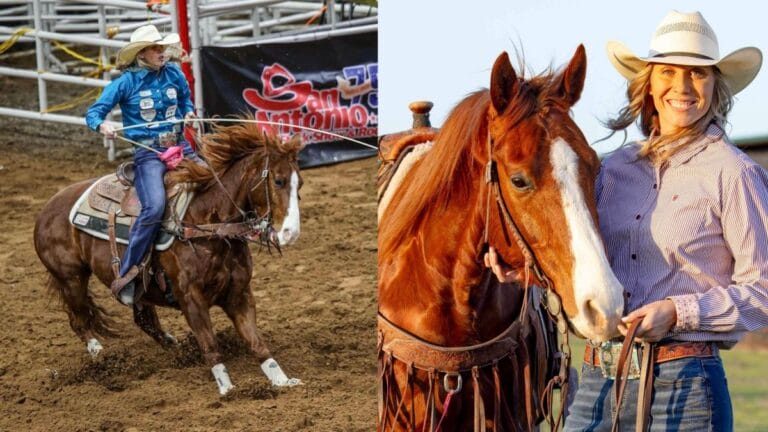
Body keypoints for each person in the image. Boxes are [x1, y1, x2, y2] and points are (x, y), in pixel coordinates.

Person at [488, 10, 768, 431]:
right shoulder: (611, 169)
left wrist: (678, 312)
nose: (683, 87)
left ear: (715, 86)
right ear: (649, 84)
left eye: (698, 74)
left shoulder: (734, 173)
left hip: (686, 387)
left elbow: (761, 294)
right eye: (669, 72)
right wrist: (528, 274)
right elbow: (589, 265)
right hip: (598, 382)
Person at [86, 24, 198, 306]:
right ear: (142, 54)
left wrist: (189, 113)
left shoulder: (174, 73)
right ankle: (128, 273)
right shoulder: (126, 83)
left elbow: (186, 101)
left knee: (217, 182)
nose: (162, 52)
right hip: (148, 153)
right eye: (155, 48)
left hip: (181, 146)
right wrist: (103, 125)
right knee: (154, 207)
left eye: (161, 47)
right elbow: (94, 112)